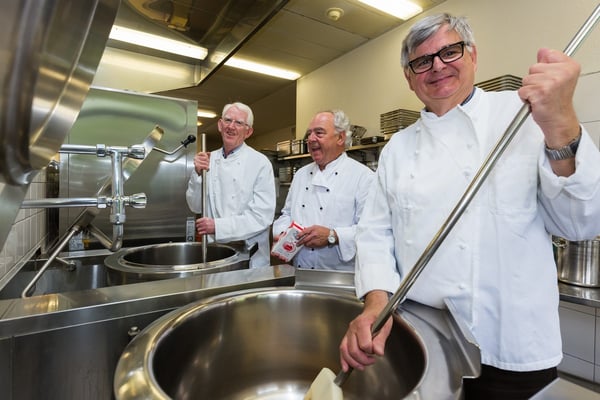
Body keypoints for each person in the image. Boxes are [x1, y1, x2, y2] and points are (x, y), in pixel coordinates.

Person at [339, 13, 600, 399]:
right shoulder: (397, 148)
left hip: (513, 345)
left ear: (473, 56)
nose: (437, 66)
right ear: (409, 78)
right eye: (421, 61)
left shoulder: (527, 115)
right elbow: (376, 235)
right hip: (427, 337)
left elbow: (581, 223)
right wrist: (376, 304)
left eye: (450, 52)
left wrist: (561, 122)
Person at [272, 110, 374, 271]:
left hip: (340, 276)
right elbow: (287, 214)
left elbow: (371, 230)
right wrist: (282, 233)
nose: (311, 139)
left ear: (340, 138)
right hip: (300, 271)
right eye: (309, 134)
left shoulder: (363, 177)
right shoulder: (301, 174)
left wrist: (333, 236)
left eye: (319, 133)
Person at [186, 102, 276, 268]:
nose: (231, 126)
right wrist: (198, 174)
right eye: (227, 120)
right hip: (215, 253)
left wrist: (218, 226)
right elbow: (195, 206)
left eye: (239, 123)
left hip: (249, 257)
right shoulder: (208, 159)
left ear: (248, 132)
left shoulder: (260, 163)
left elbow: (261, 217)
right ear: (220, 125)